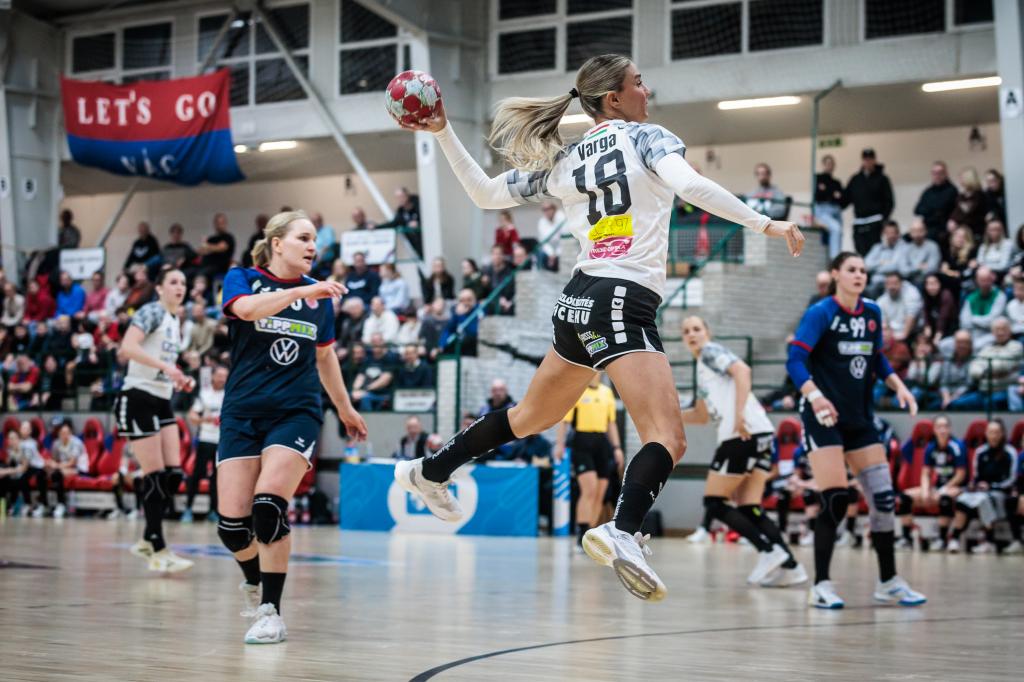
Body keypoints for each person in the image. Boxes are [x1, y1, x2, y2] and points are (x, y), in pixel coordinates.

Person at [393, 53, 803, 602]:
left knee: (530, 417)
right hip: (621, 298)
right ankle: (623, 530)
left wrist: (443, 131)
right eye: (639, 82)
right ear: (614, 98)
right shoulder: (648, 138)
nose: (647, 91)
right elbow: (691, 186)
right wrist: (763, 221)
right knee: (668, 436)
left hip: (578, 300)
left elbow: (484, 194)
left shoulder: (567, 161)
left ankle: (429, 470)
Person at [215, 210, 367, 644]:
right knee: (232, 528)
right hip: (242, 412)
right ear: (277, 243)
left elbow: (325, 356)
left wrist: (344, 408)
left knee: (268, 506)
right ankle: (253, 578)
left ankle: (271, 612)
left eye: (314, 239)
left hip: (295, 411)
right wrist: (303, 290)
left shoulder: (319, 297)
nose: (312, 246)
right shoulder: (242, 278)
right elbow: (245, 310)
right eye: (303, 238)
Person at [786, 251, 925, 609]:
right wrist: (815, 396)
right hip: (823, 417)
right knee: (836, 499)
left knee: (884, 499)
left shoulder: (872, 312)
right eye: (851, 269)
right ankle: (821, 585)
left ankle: (889, 581)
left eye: (863, 270)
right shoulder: (821, 312)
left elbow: (877, 358)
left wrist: (899, 386)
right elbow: (795, 360)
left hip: (859, 419)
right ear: (836, 274)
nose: (859, 275)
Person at [681, 316, 806, 587]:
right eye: (686, 331)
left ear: (708, 332)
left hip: (742, 434)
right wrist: (668, 416)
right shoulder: (702, 369)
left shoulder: (710, 352)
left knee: (714, 502)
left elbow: (742, 370)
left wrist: (738, 415)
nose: (692, 334)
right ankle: (792, 567)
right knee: (749, 507)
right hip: (760, 433)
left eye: (697, 329)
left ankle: (768, 551)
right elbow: (701, 415)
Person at [114, 268, 196, 573]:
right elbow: (128, 348)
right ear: (159, 288)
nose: (180, 287)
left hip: (161, 399)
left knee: (173, 476)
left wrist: (179, 378)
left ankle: (148, 538)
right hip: (138, 396)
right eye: (173, 282)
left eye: (183, 282)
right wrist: (167, 368)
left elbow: (164, 366)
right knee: (156, 477)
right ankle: (158, 548)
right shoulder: (152, 312)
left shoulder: (175, 321)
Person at [553, 373, 625, 548]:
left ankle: (590, 538)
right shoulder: (577, 391)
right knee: (589, 489)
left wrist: (617, 448)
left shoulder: (606, 392)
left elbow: (611, 423)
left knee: (600, 493)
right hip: (582, 442)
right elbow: (564, 422)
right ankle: (581, 533)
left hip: (602, 444)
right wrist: (559, 444)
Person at [948, 419, 1018, 554]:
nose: (994, 436)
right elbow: (976, 476)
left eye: (997, 432)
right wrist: (974, 484)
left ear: (1002, 434)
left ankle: (989, 541)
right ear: (986, 434)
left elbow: (1011, 479)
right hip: (980, 491)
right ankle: (954, 538)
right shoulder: (980, 452)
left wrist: (991, 486)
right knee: (962, 499)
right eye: (991, 432)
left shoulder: (1010, 452)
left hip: (1001, 492)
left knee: (984, 499)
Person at [902, 416, 965, 550]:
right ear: (934, 430)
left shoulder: (957, 446)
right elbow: (925, 473)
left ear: (949, 429)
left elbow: (961, 475)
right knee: (905, 497)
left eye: (945, 427)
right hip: (936, 487)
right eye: (939, 427)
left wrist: (944, 489)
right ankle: (906, 539)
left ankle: (942, 539)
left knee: (945, 499)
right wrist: (925, 491)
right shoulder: (931, 447)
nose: (942, 430)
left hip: (955, 487)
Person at [183, 365, 228, 523]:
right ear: (213, 376)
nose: (222, 379)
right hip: (205, 439)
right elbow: (192, 416)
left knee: (217, 478)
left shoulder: (229, 395)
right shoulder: (204, 394)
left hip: (221, 441)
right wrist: (204, 420)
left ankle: (214, 511)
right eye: (220, 375)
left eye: (225, 376)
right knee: (197, 474)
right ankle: (188, 509)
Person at [844, 148, 894, 256]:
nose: (868, 161)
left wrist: (884, 220)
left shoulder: (882, 179)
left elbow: (889, 202)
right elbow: (845, 200)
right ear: (862, 160)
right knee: (860, 253)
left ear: (874, 160)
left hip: (875, 222)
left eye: (870, 159)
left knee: (875, 253)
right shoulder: (855, 179)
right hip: (859, 223)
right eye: (865, 159)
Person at [46, 421, 90, 519]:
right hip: (64, 467)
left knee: (57, 474)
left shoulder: (76, 443)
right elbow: (54, 459)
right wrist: (50, 464)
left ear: (70, 433)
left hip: (80, 469)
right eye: (62, 433)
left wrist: (56, 466)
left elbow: (72, 463)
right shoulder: (56, 443)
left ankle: (61, 505)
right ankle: (44, 504)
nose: (64, 435)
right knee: (43, 473)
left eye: (66, 433)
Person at [959, 266, 1006, 349]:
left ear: (992, 279)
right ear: (976, 280)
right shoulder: (971, 298)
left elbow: (992, 321)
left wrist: (973, 319)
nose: (985, 283)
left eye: (987, 279)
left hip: (991, 334)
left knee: (977, 346)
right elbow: (964, 322)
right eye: (982, 280)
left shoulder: (1000, 296)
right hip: (972, 333)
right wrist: (981, 322)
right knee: (946, 344)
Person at [913, 161, 959, 244]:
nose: (937, 176)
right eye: (934, 173)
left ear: (946, 174)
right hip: (926, 226)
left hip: (942, 228)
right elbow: (917, 210)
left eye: (940, 173)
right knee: (906, 238)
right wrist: (932, 209)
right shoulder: (928, 191)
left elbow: (942, 209)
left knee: (928, 238)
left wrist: (929, 209)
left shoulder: (952, 190)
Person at [864, 220, 905, 297]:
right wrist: (880, 262)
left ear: (898, 234)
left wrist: (875, 269)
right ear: (883, 234)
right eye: (887, 233)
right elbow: (865, 265)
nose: (890, 236)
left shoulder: (903, 247)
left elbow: (895, 266)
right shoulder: (877, 247)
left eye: (893, 233)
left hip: (893, 284)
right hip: (875, 283)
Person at [814, 155, 845, 259]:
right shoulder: (818, 178)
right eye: (827, 164)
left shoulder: (836, 182)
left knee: (839, 232)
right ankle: (835, 260)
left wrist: (827, 191)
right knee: (836, 228)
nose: (829, 166)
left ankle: (838, 257)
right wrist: (833, 194)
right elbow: (818, 195)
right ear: (823, 165)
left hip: (835, 211)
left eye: (831, 164)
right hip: (822, 211)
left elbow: (841, 198)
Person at [877, 273, 921, 342]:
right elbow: (883, 324)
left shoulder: (912, 294)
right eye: (888, 284)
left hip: (911, 333)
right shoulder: (881, 301)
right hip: (891, 335)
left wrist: (903, 335)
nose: (892, 287)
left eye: (895, 283)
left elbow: (911, 316)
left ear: (901, 284)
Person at [899, 217, 941, 287]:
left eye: (920, 230)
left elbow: (933, 268)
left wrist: (911, 269)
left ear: (925, 231)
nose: (917, 234)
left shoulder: (933, 246)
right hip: (908, 282)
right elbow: (903, 271)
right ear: (910, 233)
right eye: (914, 231)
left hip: (926, 283)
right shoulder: (906, 248)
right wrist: (918, 267)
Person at [948, 167, 988, 239]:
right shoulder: (961, 196)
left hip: (975, 231)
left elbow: (969, 212)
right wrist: (952, 219)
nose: (959, 180)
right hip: (962, 232)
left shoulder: (979, 196)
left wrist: (956, 220)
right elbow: (956, 211)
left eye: (961, 178)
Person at [921, 273, 957, 346]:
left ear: (940, 284)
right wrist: (927, 327)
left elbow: (943, 318)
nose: (931, 287)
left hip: (948, 329)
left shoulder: (946, 295)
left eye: (934, 284)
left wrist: (938, 335)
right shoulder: (926, 296)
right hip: (934, 328)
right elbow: (925, 314)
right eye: (928, 284)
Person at [198, 212, 236, 281]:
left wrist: (207, 246)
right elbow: (201, 251)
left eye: (222, 223)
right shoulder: (211, 239)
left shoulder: (228, 237)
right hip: (207, 265)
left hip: (221, 266)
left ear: (226, 223)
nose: (220, 225)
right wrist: (206, 247)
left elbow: (221, 248)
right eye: (218, 223)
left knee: (202, 274)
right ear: (215, 224)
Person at [537, 200, 567, 271]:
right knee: (540, 254)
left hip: (563, 248)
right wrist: (551, 254)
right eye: (544, 209)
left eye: (548, 208)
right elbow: (543, 241)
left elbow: (564, 240)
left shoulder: (562, 218)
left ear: (554, 208)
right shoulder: (542, 222)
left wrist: (556, 254)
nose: (547, 211)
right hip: (550, 251)